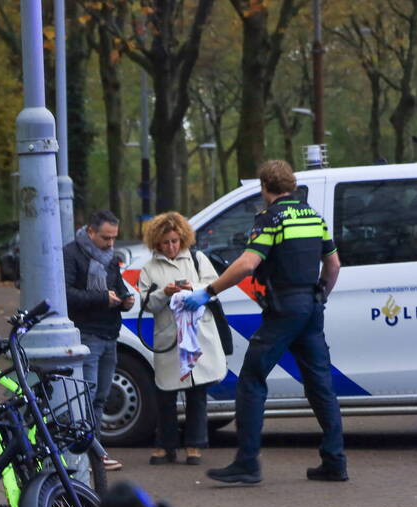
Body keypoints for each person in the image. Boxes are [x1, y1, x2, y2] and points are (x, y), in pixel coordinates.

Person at [182, 160, 347, 485]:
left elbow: (248, 263)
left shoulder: (271, 217)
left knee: (252, 379)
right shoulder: (314, 217)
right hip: (311, 308)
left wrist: (208, 292)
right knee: (321, 386)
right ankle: (335, 461)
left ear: (265, 188)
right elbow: (333, 264)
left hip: (284, 308)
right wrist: (320, 297)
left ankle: (247, 463)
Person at [138, 212, 227, 466]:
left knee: (197, 391)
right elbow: (147, 304)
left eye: (175, 241)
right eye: (166, 242)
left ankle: (194, 445)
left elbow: (214, 289)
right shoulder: (149, 268)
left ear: (183, 238)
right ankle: (165, 445)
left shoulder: (198, 260)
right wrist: (164, 294)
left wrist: (193, 290)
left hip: (197, 334)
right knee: (165, 392)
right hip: (169, 336)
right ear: (157, 243)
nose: (171, 247)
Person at [64, 209, 134, 471]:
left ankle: (95, 451)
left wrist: (126, 300)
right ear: (90, 232)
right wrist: (102, 298)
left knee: (100, 397)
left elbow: (118, 284)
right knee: (88, 395)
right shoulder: (71, 254)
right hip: (87, 334)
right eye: (106, 238)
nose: (111, 243)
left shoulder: (110, 257)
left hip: (109, 334)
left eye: (114, 238)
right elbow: (67, 294)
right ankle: (89, 453)